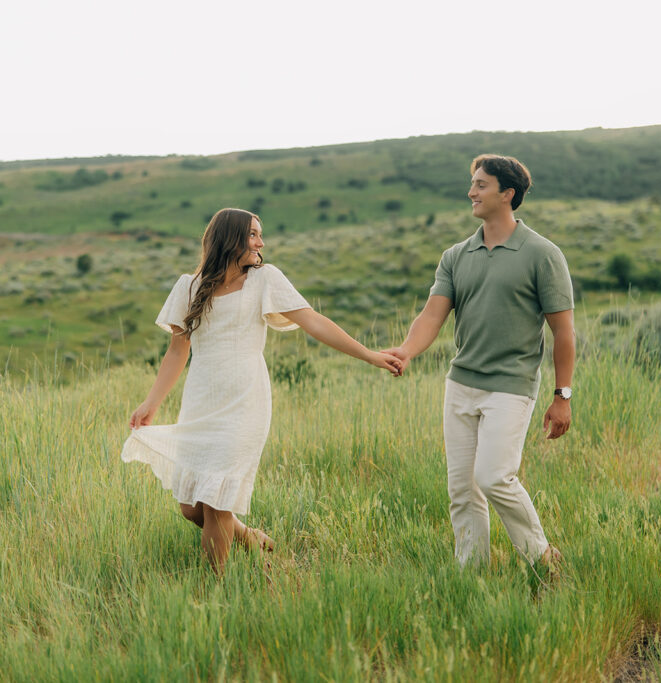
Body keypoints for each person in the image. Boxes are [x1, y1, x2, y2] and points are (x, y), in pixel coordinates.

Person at [122, 208, 402, 574]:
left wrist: (369, 355)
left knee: (217, 502)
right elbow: (178, 350)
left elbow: (313, 321)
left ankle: (214, 594)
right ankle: (250, 538)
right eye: (253, 234)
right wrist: (151, 402)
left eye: (260, 234)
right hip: (201, 401)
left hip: (245, 402)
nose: (261, 242)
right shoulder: (187, 287)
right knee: (193, 508)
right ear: (230, 238)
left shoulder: (264, 280)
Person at [385, 154, 575, 570]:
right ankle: (470, 573)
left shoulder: (543, 254)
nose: (471, 192)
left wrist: (562, 395)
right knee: (462, 490)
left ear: (507, 194)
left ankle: (542, 558)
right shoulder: (456, 255)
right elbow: (432, 314)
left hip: (512, 385)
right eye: (472, 183)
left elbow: (564, 332)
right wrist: (407, 350)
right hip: (462, 384)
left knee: (493, 477)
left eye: (481, 185)